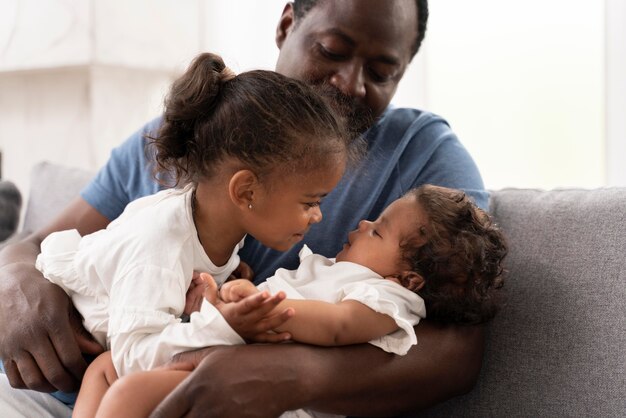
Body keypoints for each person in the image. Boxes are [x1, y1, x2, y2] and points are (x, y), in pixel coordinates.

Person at [0, 1, 491, 417]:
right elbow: (38, 245)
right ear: (286, 26)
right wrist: (15, 278)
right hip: (50, 393)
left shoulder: (421, 154)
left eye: (383, 72)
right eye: (332, 51)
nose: (351, 83)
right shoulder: (193, 135)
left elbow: (459, 351)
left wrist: (295, 375)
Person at [76, 184, 507, 418]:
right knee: (106, 367)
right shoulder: (332, 270)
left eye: (377, 230)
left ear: (408, 278)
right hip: (218, 353)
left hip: (261, 397)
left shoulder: (386, 299)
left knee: (130, 393)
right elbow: (240, 322)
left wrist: (270, 307)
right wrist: (211, 303)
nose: (363, 222)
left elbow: (339, 325)